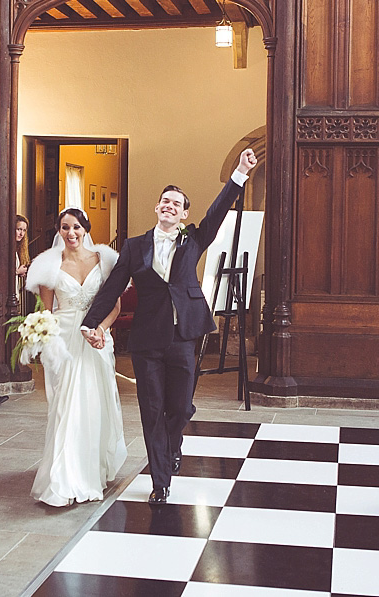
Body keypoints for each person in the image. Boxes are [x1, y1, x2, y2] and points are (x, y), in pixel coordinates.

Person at [82, 148, 257, 505]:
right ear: (157, 208)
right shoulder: (134, 247)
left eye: (176, 204)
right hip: (147, 340)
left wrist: (239, 172)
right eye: (164, 201)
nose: (169, 206)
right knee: (151, 408)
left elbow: (218, 210)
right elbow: (112, 287)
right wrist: (90, 322)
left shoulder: (194, 239)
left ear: (184, 214)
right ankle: (160, 480)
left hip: (183, 337)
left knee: (179, 407)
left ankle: (173, 444)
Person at [25, 208, 127, 506]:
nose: (71, 233)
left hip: (95, 338)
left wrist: (101, 330)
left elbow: (114, 305)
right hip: (65, 339)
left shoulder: (104, 260)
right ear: (59, 231)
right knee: (67, 406)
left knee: (95, 402)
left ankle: (91, 468)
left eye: (77, 227)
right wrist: (44, 338)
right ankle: (63, 477)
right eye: (65, 228)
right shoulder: (48, 265)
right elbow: (45, 310)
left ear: (86, 229)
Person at [14, 215, 31, 316]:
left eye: (24, 230)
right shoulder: (6, 247)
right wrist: (17, 272)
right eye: (19, 229)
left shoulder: (16, 248)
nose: (21, 234)